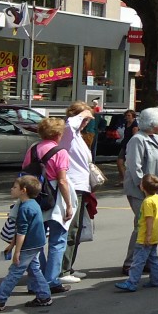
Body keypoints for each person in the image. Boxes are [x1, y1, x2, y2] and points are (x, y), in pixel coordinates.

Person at [0, 175, 53, 310]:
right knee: (35, 270)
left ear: (23, 190)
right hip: (36, 243)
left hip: (28, 245)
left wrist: (17, 251)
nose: (11, 189)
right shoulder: (33, 204)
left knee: (14, 272)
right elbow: (21, 230)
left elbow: (22, 232)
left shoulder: (24, 208)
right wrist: (12, 244)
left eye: (14, 187)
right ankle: (44, 296)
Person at [26, 116, 74, 293]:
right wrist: (69, 204)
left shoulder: (32, 149)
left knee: (36, 242)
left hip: (35, 197)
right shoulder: (60, 152)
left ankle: (36, 281)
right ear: (58, 134)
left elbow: (25, 173)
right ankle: (51, 281)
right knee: (57, 240)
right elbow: (62, 181)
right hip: (54, 199)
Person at [121, 107, 158, 275]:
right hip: (140, 191)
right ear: (152, 123)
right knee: (142, 225)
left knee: (150, 225)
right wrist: (145, 189)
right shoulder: (137, 140)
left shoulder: (153, 137)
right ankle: (131, 263)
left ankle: (144, 261)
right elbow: (135, 167)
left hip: (151, 191)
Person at [57, 101, 97, 283]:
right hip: (73, 187)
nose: (86, 121)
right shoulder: (68, 132)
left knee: (78, 229)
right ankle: (62, 271)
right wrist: (83, 114)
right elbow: (69, 123)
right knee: (71, 229)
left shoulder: (78, 136)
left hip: (82, 187)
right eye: (84, 118)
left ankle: (68, 267)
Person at [115, 173, 158, 292]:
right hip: (155, 234)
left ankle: (132, 282)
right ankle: (157, 280)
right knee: (153, 259)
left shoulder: (147, 202)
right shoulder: (157, 198)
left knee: (138, 260)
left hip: (144, 236)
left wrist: (147, 235)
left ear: (142, 187)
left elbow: (149, 219)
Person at [115, 109, 138, 184]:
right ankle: (123, 179)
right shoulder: (126, 123)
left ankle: (126, 180)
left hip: (130, 145)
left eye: (129, 115)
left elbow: (135, 137)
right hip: (124, 144)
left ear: (133, 116)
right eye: (126, 115)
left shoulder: (134, 125)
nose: (127, 117)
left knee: (120, 162)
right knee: (119, 162)